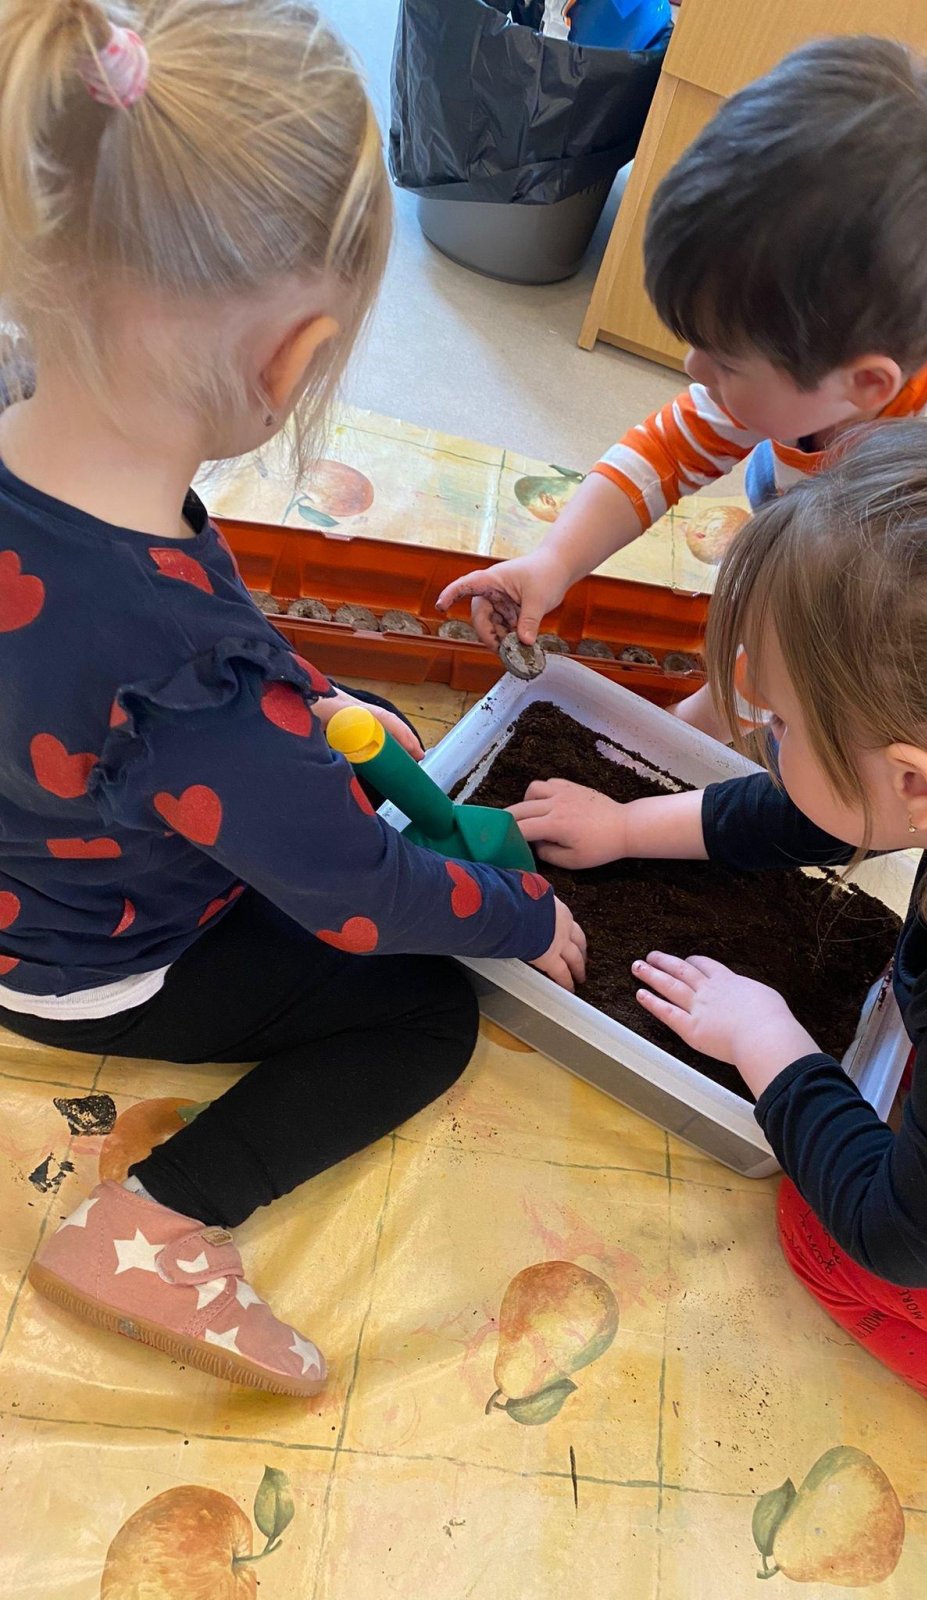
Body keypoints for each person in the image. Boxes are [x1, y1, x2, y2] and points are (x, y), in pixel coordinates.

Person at [0, 0, 585, 1398]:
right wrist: (519, 914)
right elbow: (357, 894)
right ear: (293, 360)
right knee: (424, 1012)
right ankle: (156, 1224)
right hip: (85, 968)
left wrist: (304, 696)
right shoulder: (190, 674)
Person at [508, 420, 927, 1585]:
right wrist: (630, 825)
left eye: (779, 728)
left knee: (826, 1238)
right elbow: (826, 805)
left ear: (919, 784)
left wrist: (771, 1043)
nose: (765, 739)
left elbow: (907, 1236)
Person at [437, 36, 927, 740]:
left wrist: (675, 733)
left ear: (864, 384)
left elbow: (803, 664)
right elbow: (667, 452)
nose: (693, 367)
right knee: (775, 485)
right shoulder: (836, 350)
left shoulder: (913, 523)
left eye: (726, 362)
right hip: (893, 502)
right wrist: (555, 561)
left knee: (857, 700)